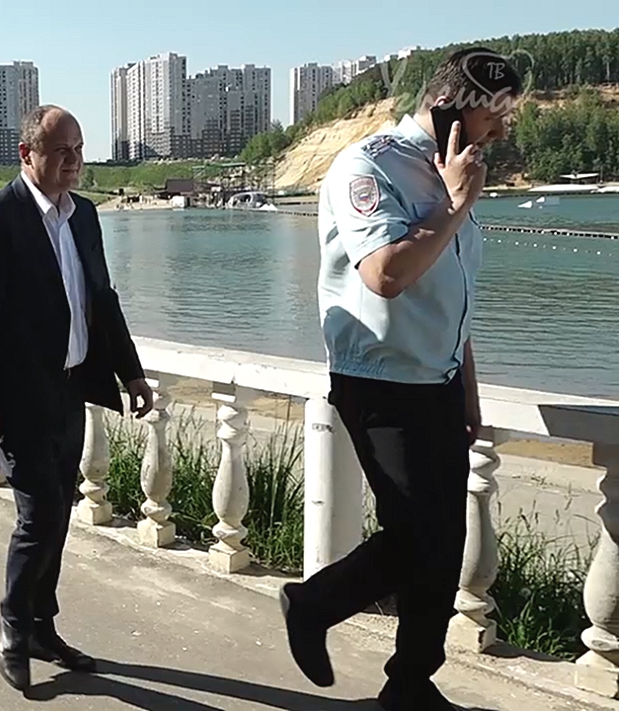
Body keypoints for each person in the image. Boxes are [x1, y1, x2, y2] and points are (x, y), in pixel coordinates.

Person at [280, 48, 522, 711]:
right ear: (451, 108)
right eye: (495, 116)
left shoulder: (455, 169)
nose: (502, 131)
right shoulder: (369, 165)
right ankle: (313, 604)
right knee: (419, 536)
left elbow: (452, 291)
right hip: (380, 381)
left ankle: (411, 683)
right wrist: (455, 202)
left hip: (437, 381)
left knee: (444, 545)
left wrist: (466, 385)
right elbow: (386, 274)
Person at [0, 105, 153, 692]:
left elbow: (103, 299)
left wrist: (131, 373)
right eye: (61, 151)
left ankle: (42, 627)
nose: (73, 162)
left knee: (59, 512)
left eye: (79, 149)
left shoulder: (84, 215)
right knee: (39, 514)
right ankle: (13, 629)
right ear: (28, 155)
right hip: (18, 400)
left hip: (71, 390)